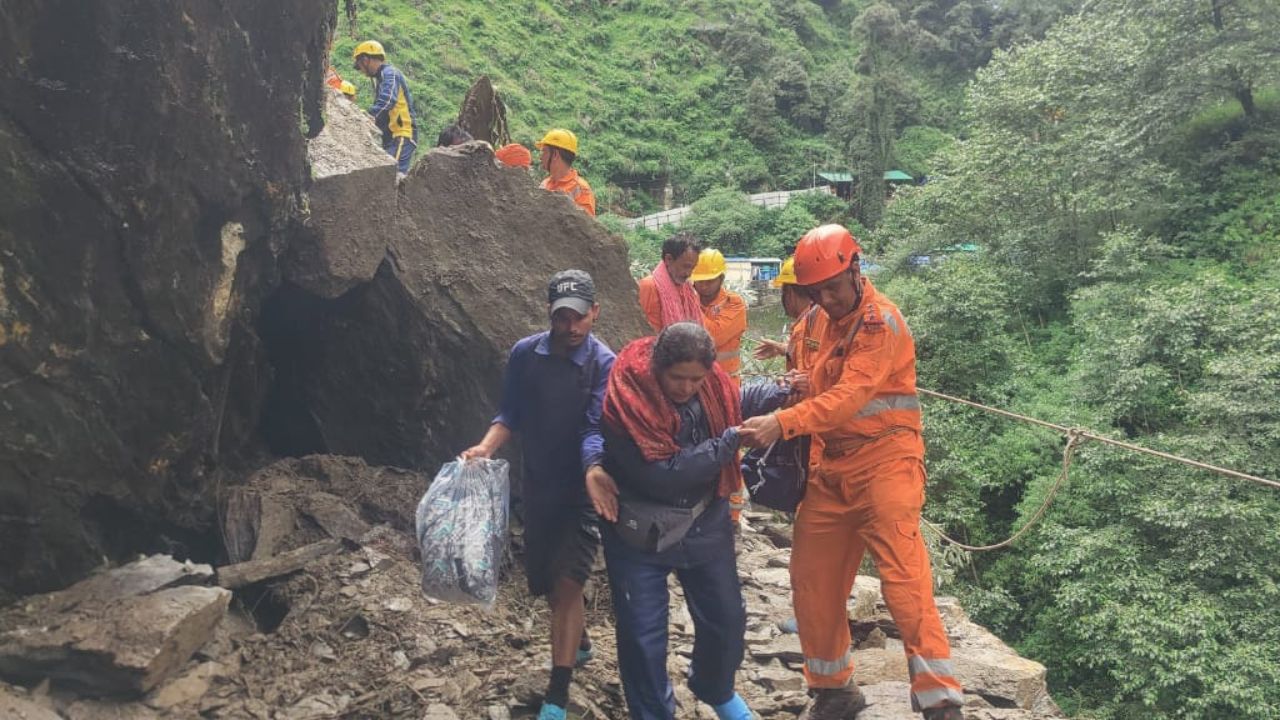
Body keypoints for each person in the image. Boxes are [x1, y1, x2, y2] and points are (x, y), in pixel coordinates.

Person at [738, 225, 965, 720]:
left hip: (887, 465)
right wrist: (799, 384)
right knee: (811, 579)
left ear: (856, 270)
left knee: (905, 583)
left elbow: (849, 396)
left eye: (832, 288)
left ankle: (940, 699)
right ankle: (833, 689)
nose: (826, 299)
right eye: (816, 291)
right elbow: (821, 376)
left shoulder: (880, 323)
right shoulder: (818, 320)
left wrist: (782, 422)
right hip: (832, 467)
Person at [461, 270, 616, 720]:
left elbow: (595, 426)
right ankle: (579, 644)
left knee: (569, 583)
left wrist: (593, 469)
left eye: (579, 318)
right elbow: (510, 413)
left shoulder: (604, 363)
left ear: (595, 313)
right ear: (549, 313)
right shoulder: (525, 354)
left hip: (582, 489)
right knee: (550, 582)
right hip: (539, 486)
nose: (571, 327)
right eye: (562, 317)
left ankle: (557, 694)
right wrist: (485, 447)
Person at [585, 323, 757, 720]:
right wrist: (730, 441)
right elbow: (664, 475)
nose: (686, 387)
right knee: (642, 635)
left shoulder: (713, 389)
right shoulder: (627, 401)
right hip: (638, 529)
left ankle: (714, 687)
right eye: (678, 378)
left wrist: (783, 392)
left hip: (704, 520)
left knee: (727, 616)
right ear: (657, 369)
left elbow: (738, 401)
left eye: (696, 379)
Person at [352, 40, 418, 178]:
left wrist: (371, 115)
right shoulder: (381, 79)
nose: (362, 71)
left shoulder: (389, 73)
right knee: (385, 177)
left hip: (402, 134)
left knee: (391, 177)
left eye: (360, 65)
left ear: (365, 59)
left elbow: (388, 99)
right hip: (391, 138)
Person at [690, 249, 747, 389]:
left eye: (709, 281)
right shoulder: (690, 302)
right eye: (700, 281)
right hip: (695, 385)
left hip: (725, 385)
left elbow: (714, 337)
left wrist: (690, 303)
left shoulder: (734, 304)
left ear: (721, 278)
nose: (704, 286)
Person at [637, 233, 704, 332]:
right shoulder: (648, 286)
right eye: (686, 266)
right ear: (669, 259)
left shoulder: (688, 291)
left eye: (692, 268)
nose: (689, 273)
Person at [537, 128, 596, 217]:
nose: (541, 157)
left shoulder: (581, 190)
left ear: (555, 155)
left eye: (544, 152)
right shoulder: (544, 185)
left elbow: (587, 224)